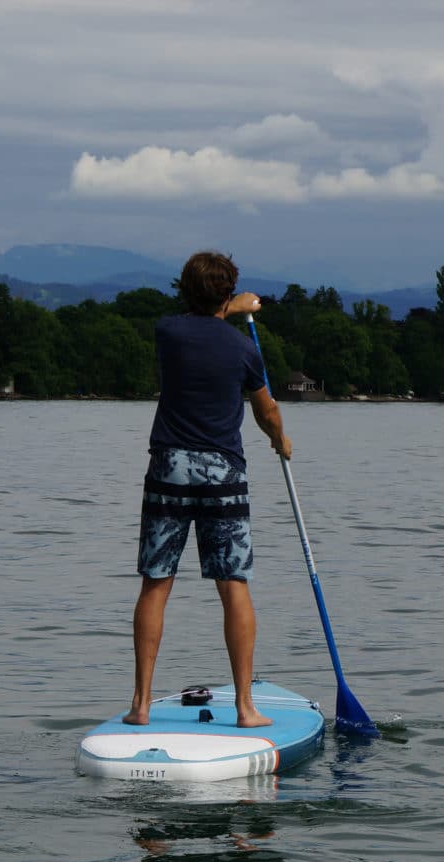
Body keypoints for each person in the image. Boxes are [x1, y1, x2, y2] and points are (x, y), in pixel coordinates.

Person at [124, 251, 292, 728]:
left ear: (184, 290)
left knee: (156, 583)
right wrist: (280, 438)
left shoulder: (167, 332)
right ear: (227, 292)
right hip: (222, 473)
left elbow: (192, 319)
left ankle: (140, 705)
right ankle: (244, 708)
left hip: (169, 470)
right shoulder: (245, 351)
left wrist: (228, 308)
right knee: (233, 586)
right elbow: (267, 412)